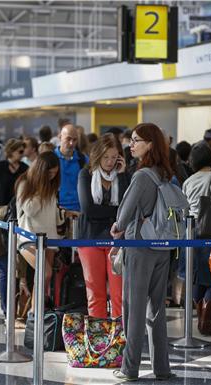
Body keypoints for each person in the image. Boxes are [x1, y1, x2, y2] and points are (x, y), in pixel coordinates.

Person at [110, 123, 174, 381]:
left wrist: (117, 228)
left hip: (139, 246)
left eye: (136, 140)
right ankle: (162, 368)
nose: (131, 145)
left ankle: (130, 368)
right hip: (163, 246)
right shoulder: (166, 173)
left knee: (133, 308)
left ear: (150, 144)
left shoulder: (141, 176)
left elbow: (122, 216)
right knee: (156, 309)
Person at [77, 134, 129, 319]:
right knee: (95, 294)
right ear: (97, 155)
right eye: (106, 157)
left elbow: (124, 208)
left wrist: (122, 176)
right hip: (89, 238)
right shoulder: (86, 174)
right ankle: (98, 335)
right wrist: (113, 211)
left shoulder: (123, 176)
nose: (110, 162)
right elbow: (88, 209)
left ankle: (119, 337)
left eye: (114, 157)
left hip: (116, 239)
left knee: (119, 293)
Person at [181, 141, 211, 335]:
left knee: (197, 277)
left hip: (191, 234)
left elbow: (184, 209)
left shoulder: (188, 181)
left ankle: (199, 318)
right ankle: (206, 322)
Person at [15, 151, 64, 314]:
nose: (51, 176)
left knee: (42, 280)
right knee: (45, 274)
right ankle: (33, 314)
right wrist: (40, 191)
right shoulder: (25, 183)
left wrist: (64, 215)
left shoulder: (51, 186)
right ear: (40, 170)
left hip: (49, 238)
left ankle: (36, 315)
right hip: (28, 238)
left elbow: (52, 215)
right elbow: (29, 210)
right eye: (49, 172)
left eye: (54, 173)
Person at [55, 124, 88, 211]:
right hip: (56, 209)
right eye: (68, 139)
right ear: (60, 137)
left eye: (75, 140)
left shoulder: (83, 159)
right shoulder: (51, 159)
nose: (71, 143)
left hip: (79, 209)